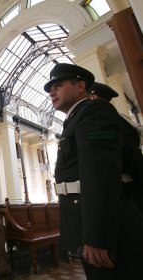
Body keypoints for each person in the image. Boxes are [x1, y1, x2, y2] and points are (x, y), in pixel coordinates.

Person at [44, 63, 133, 279]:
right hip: (82, 220)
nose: (52, 92)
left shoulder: (94, 111)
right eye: (50, 89)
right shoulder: (75, 119)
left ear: (81, 85)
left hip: (101, 228)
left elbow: (101, 174)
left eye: (58, 85)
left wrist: (97, 236)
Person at [89, 82, 143, 213]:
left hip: (127, 192)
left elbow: (131, 155)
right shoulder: (113, 118)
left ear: (93, 98)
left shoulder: (109, 119)